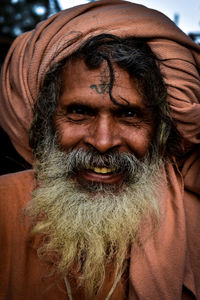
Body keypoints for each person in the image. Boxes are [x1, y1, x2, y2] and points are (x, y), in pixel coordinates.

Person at [0, 1, 200, 299]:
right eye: (79, 112)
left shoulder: (191, 223)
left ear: (160, 130)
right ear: (44, 122)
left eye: (129, 115)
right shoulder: (3, 208)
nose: (103, 141)